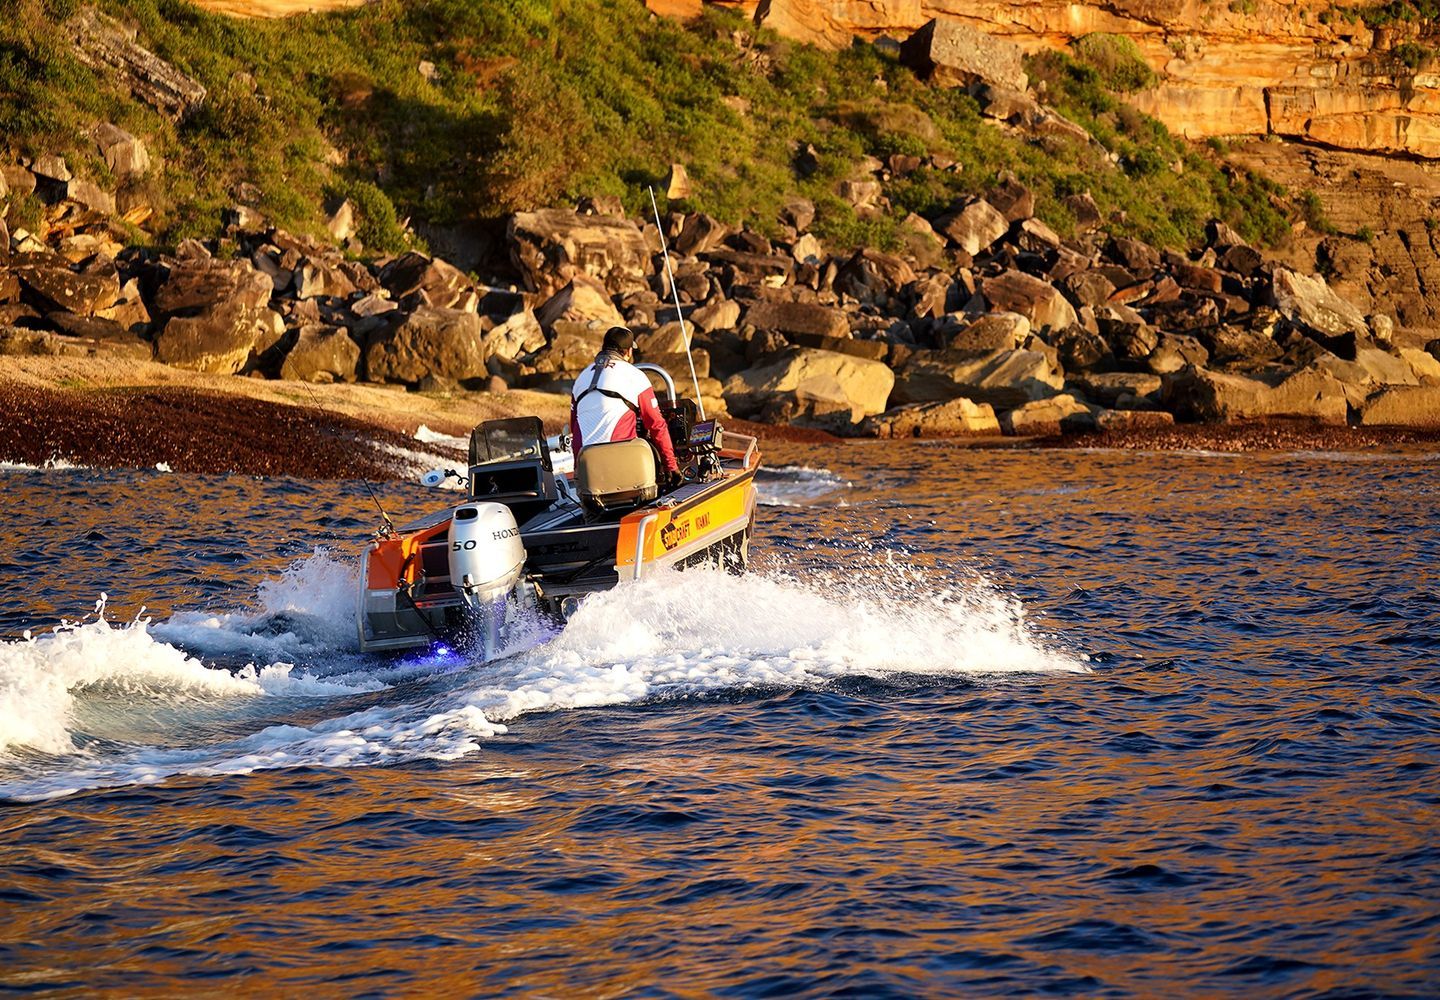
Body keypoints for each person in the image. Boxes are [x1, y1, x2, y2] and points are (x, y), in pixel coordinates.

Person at [570, 326, 681, 489]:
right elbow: (656, 425)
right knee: (648, 452)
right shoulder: (634, 375)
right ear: (628, 352)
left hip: (587, 475)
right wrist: (671, 466)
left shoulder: (582, 378)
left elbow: (574, 425)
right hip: (623, 472)